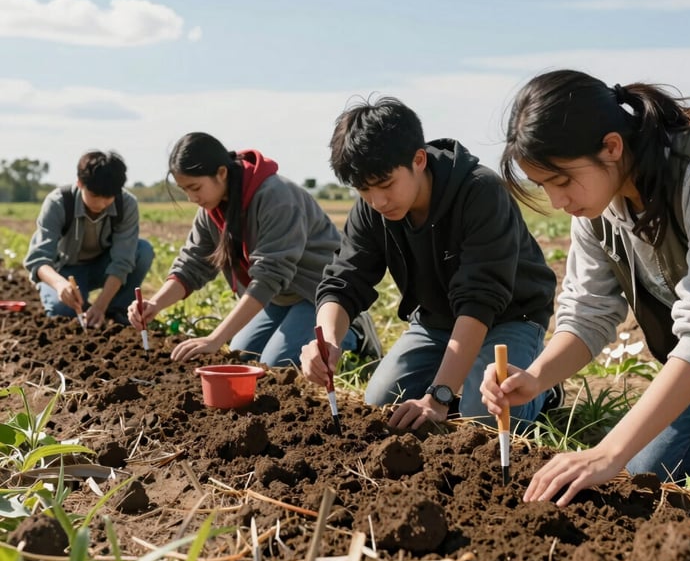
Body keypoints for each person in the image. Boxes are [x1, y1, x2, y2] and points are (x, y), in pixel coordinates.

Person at [481, 69, 690, 508]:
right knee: (644, 470)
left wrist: (608, 450)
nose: (558, 202)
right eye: (544, 186)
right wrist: (535, 378)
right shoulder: (596, 208)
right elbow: (588, 313)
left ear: (612, 147)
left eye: (562, 181)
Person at [300, 96, 557, 431]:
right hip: (436, 322)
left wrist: (438, 397)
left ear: (418, 160)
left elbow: (480, 300)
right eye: (364, 190)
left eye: (386, 184)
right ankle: (458, 377)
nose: (378, 201)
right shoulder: (371, 209)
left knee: (483, 418)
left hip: (508, 318)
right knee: (382, 403)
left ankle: (544, 386)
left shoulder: (480, 192)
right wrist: (328, 339)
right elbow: (345, 279)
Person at [128, 132, 375, 367]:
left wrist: (215, 339)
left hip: (316, 291)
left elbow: (270, 276)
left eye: (195, 187)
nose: (192, 198)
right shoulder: (212, 210)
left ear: (221, 173)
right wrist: (155, 304)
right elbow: (193, 263)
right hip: (279, 298)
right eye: (185, 190)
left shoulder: (276, 197)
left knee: (277, 364)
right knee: (242, 355)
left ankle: (352, 331)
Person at [24, 150, 155, 327]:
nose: (101, 204)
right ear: (79, 183)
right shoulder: (58, 203)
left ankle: (117, 310)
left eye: (108, 198)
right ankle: (76, 303)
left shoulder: (127, 204)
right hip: (66, 270)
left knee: (143, 251)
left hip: (102, 266)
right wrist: (61, 285)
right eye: (94, 196)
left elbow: (122, 261)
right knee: (62, 313)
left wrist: (101, 306)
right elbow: (38, 259)